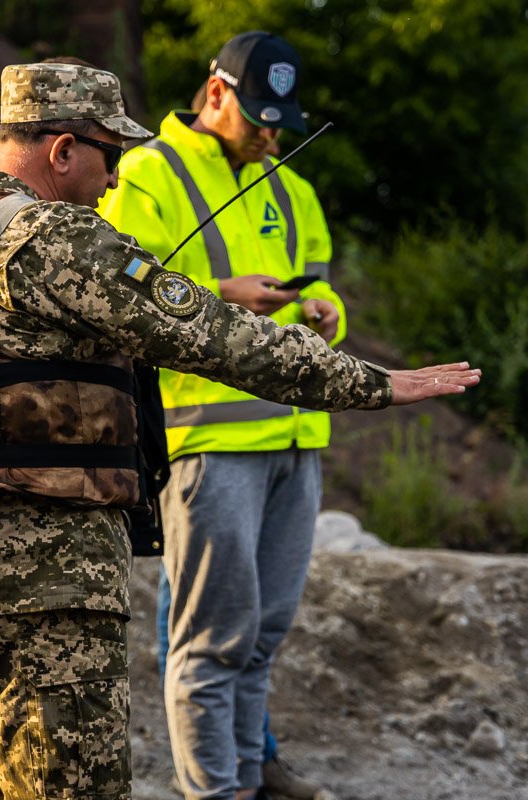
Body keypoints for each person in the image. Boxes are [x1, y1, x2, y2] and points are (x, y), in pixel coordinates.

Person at [0, 61, 478, 800]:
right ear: (62, 151)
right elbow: (217, 336)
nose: (112, 182)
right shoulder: (55, 239)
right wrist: (374, 384)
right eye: (107, 156)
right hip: (42, 578)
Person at [94, 32, 350, 800]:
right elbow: (124, 296)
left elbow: (325, 289)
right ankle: (216, 791)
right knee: (211, 643)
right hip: (208, 443)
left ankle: (247, 776)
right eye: (259, 113)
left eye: (282, 117)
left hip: (296, 438)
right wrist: (224, 294)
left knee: (262, 638)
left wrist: (322, 308)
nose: (271, 131)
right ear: (215, 94)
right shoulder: (146, 176)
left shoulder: (291, 186)